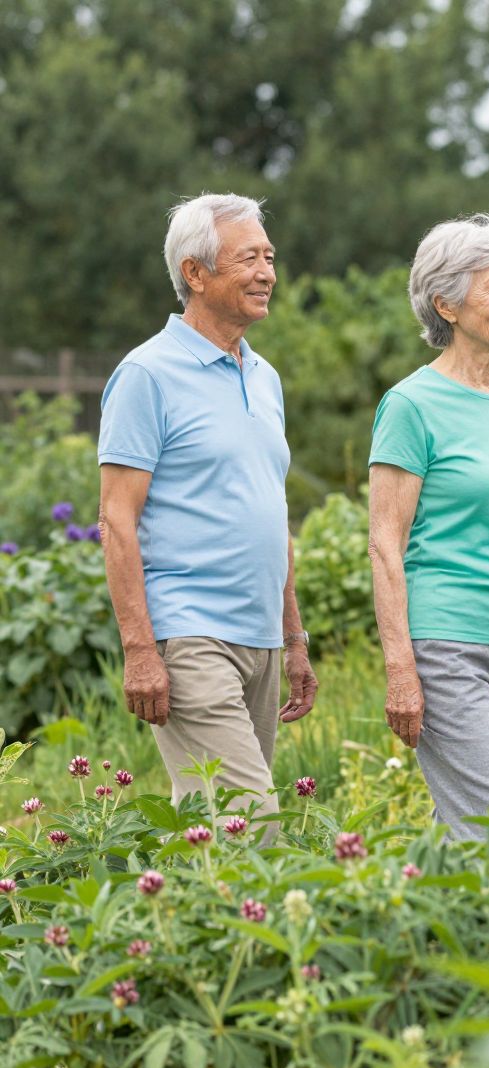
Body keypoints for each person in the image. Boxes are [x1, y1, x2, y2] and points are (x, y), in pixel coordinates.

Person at [99, 193, 318, 825]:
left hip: (261, 638)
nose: (266, 272)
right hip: (189, 634)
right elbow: (117, 519)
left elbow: (269, 515)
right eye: (248, 257)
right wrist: (140, 648)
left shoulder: (265, 376)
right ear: (195, 274)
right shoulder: (147, 374)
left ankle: (172, 923)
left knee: (213, 831)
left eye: (269, 257)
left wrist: (293, 636)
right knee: (253, 826)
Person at [368, 214, 489, 840]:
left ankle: (430, 935)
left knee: (469, 834)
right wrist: (401, 668)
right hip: (446, 642)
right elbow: (384, 544)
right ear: (446, 304)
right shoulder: (411, 406)